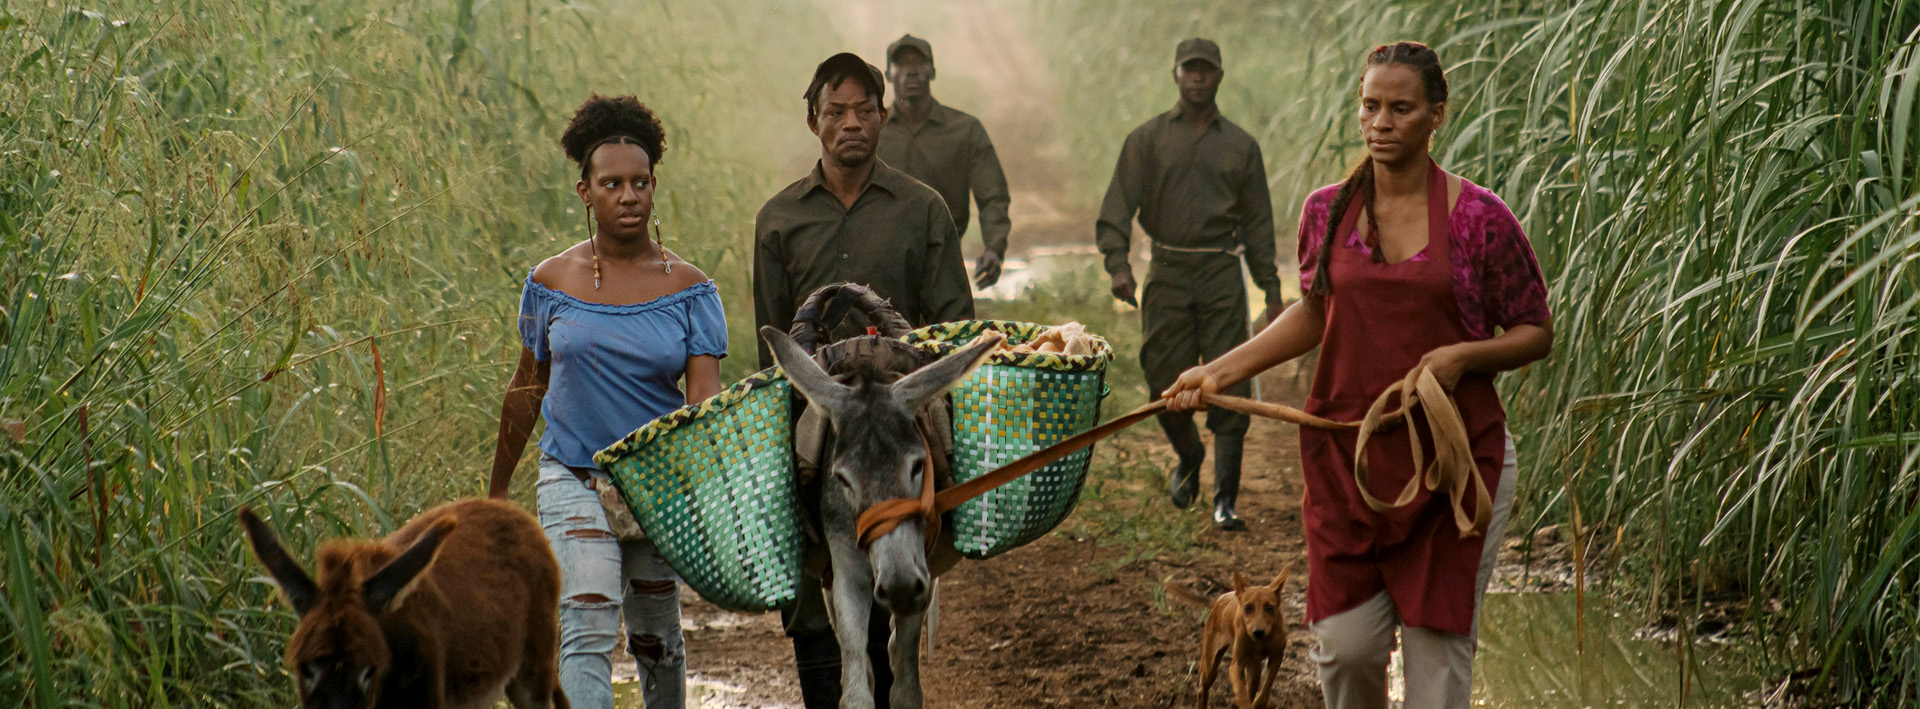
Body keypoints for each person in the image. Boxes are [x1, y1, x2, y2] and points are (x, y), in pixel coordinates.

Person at [1162, 42, 1554, 708]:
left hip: (1453, 470)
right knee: (1347, 650)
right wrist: (1217, 371)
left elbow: (1535, 329)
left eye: (1401, 108)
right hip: (1349, 467)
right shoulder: (1327, 211)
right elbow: (1314, 314)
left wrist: (1464, 356)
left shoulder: (1480, 218)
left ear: (1436, 115)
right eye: (1371, 106)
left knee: (1438, 660)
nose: (1381, 122)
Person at [488, 94, 728, 709]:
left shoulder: (691, 289)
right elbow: (525, 388)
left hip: (658, 483)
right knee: (586, 616)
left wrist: (704, 486)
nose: (628, 195)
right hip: (572, 473)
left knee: (656, 638)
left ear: (654, 187)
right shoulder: (550, 282)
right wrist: (495, 497)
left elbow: (705, 400)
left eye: (640, 182)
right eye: (612, 183)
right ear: (585, 192)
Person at [753, 52, 975, 709]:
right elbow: (772, 338)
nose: (851, 122)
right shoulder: (779, 217)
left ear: (883, 118)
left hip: (902, 396)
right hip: (819, 396)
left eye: (864, 110)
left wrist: (913, 379)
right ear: (813, 121)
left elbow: (954, 324)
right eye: (836, 112)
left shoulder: (923, 207)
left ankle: (929, 568)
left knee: (944, 470)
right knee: (793, 517)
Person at [1095, 37, 1284, 530]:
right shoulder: (1148, 140)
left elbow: (1259, 225)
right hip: (1169, 270)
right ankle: (1188, 454)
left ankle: (1225, 501)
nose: (1198, 77)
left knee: (1231, 378)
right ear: (1175, 74)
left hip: (1222, 272)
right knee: (1163, 375)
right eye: (1190, 69)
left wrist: (1272, 289)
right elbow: (1117, 207)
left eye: (1207, 70)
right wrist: (1118, 265)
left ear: (1220, 76)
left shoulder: (1242, 146)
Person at [875, 33, 1014, 288]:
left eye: (918, 64)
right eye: (902, 65)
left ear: (932, 72)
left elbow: (993, 195)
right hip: (880, 265)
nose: (911, 72)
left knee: (950, 328)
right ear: (888, 74)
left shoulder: (965, 130)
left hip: (944, 262)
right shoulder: (873, 133)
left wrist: (994, 248)